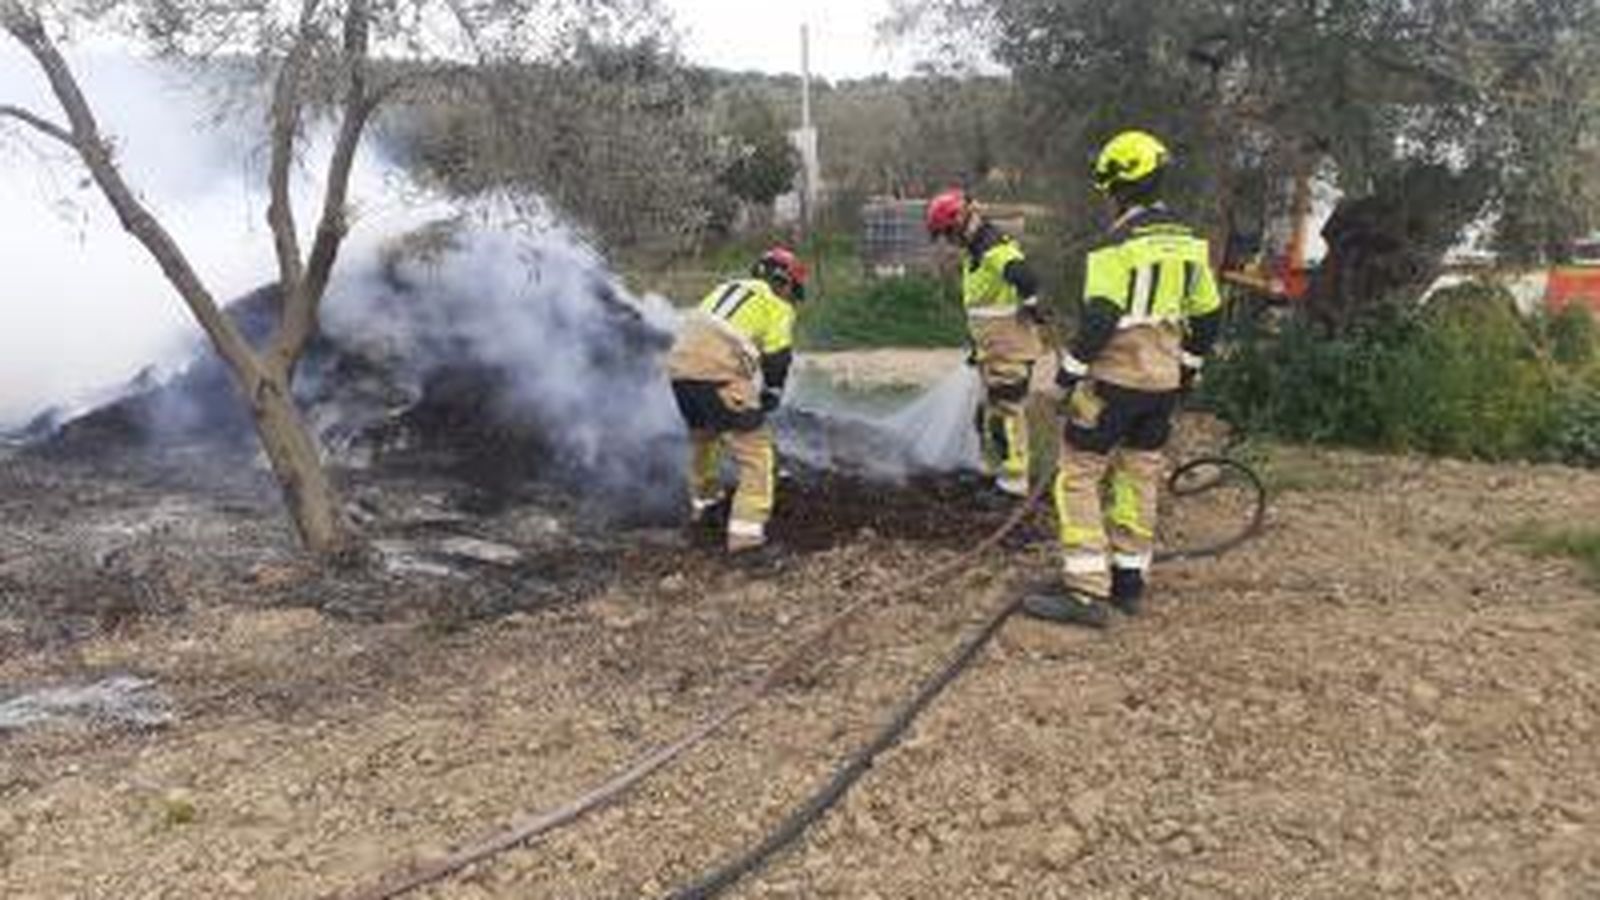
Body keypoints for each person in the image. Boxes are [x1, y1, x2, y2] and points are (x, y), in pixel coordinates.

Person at [1022, 129, 1223, 628]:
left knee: (1078, 474)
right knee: (1139, 473)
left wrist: (1067, 378)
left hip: (1113, 382)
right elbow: (1210, 315)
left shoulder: (1114, 247)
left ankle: (1088, 591)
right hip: (1161, 384)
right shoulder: (1191, 242)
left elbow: (1100, 319)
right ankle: (1129, 583)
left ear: (1117, 187)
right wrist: (1189, 370)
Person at [665, 247, 807, 556]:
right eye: (792, 291)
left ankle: (705, 510)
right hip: (718, 371)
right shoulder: (777, 304)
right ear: (782, 282)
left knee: (705, 440)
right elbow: (778, 358)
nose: (791, 298)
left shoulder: (725, 288)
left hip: (678, 370)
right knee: (758, 455)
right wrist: (772, 392)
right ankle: (746, 544)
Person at [925, 189, 1046, 498]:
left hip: (1010, 348)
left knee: (1005, 411)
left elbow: (1024, 275)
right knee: (986, 415)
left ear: (958, 223)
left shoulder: (991, 247)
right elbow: (983, 308)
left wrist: (1031, 302)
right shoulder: (976, 251)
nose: (948, 242)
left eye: (947, 234)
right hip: (992, 350)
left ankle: (1014, 485)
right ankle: (995, 473)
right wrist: (975, 346)